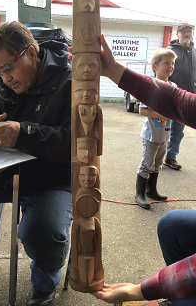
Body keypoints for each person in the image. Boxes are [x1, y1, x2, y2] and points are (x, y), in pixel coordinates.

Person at [0, 21, 73, 306]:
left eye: (8, 68)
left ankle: (45, 284)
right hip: (1, 172)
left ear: (31, 54)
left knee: (42, 231)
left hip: (51, 177)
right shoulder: (4, 83)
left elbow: (78, 143)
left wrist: (25, 132)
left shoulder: (72, 84)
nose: (4, 78)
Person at [87, 34, 196, 306]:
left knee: (156, 165)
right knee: (172, 224)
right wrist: (113, 70)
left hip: (162, 137)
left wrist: (141, 291)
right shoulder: (167, 87)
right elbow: (177, 101)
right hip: (153, 137)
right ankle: (142, 191)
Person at [135, 48, 177, 209]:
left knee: (158, 164)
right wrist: (164, 113)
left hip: (165, 133)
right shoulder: (151, 86)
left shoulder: (173, 86)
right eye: (166, 63)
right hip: (151, 134)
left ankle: (151, 190)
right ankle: (140, 193)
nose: (170, 66)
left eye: (172, 63)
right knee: (147, 164)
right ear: (155, 66)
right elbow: (142, 110)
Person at [163, 23, 196, 170]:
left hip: (187, 97)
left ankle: (171, 157)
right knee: (162, 127)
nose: (186, 34)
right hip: (171, 95)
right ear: (178, 35)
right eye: (183, 32)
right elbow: (163, 70)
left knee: (178, 130)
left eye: (189, 31)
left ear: (193, 34)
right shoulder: (170, 51)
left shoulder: (195, 52)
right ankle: (157, 156)